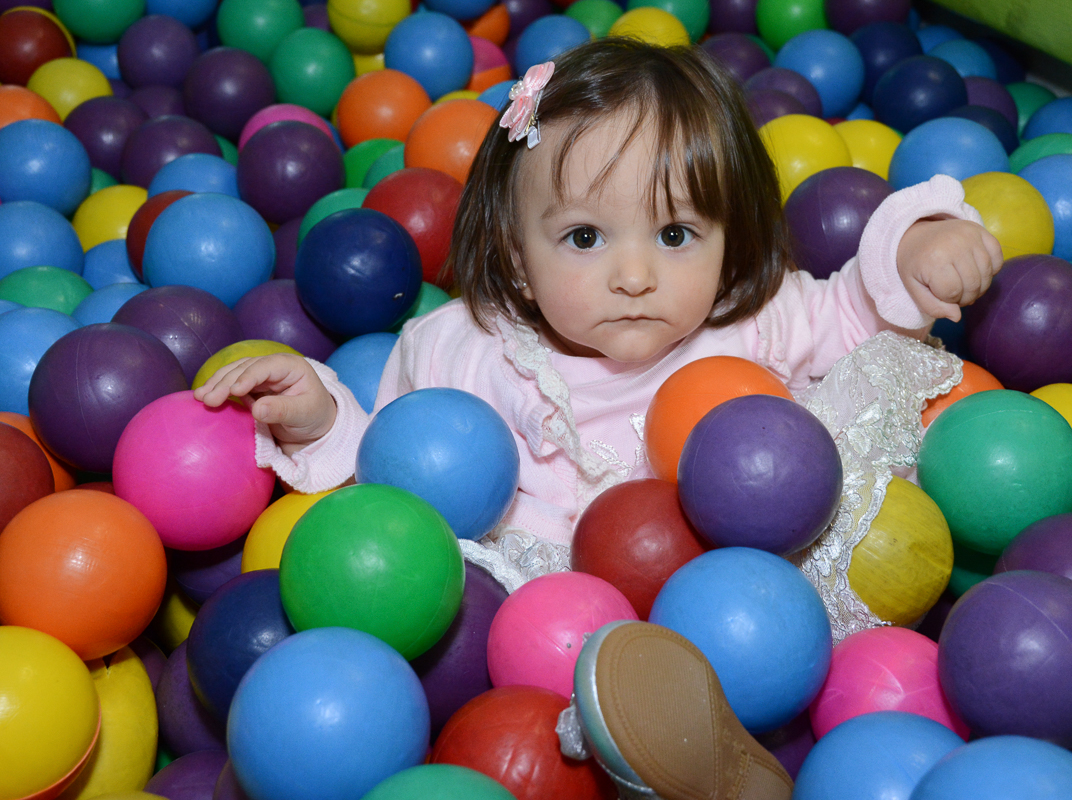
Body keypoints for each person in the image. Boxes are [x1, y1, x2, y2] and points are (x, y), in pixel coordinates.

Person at [197, 39, 1002, 799]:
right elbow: (396, 474)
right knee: (465, 589)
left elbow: (856, 312)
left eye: (677, 234)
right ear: (517, 251)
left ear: (727, 242)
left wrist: (915, 252)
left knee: (836, 509)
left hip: (744, 600)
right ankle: (657, 742)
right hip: (545, 618)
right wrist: (317, 418)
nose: (635, 275)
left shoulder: (748, 321)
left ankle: (727, 739)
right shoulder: (466, 350)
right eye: (585, 237)